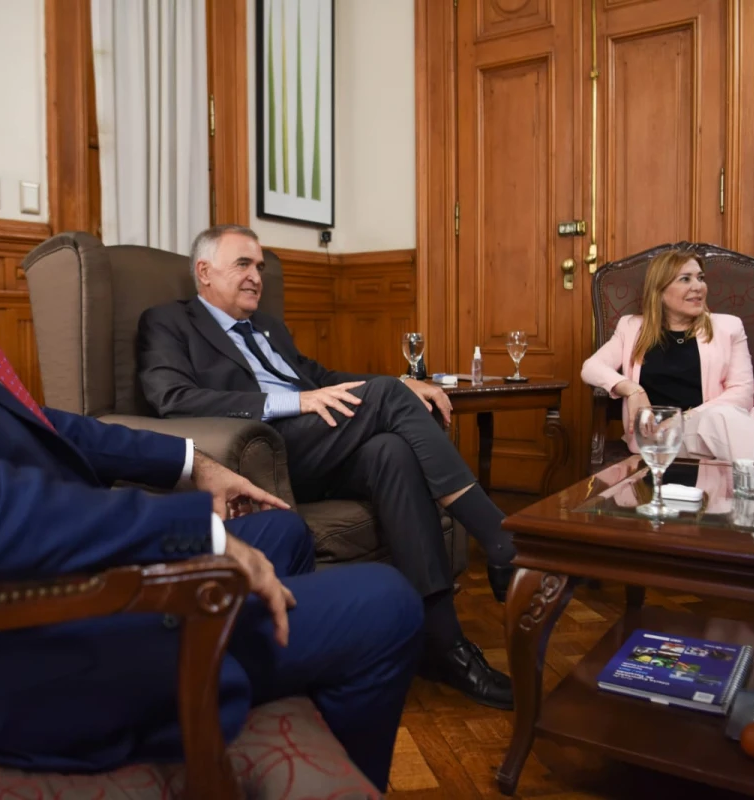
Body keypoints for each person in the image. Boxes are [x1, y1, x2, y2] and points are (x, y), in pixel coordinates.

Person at [0, 88, 424, 791]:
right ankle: (254, 692)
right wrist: (199, 533)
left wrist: (193, 464)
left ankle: (261, 673)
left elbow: (34, 423)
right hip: (24, 655)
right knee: (385, 602)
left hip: (39, 596)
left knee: (281, 534)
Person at [136, 225, 519, 710]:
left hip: (316, 445)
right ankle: (499, 535)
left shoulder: (270, 327)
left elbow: (322, 378)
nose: (257, 276)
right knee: (387, 397)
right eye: (244, 265)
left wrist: (398, 382)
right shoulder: (170, 322)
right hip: (262, 448)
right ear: (204, 272)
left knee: (391, 453)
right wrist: (294, 401)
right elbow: (172, 400)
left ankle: (443, 644)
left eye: (260, 267)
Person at [581, 247, 754, 465]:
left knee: (720, 418)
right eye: (685, 279)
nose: (698, 287)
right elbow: (591, 367)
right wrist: (632, 389)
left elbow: (742, 393)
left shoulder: (728, 326)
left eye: (700, 278)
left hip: (715, 428)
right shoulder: (631, 327)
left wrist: (682, 419)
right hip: (658, 439)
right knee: (725, 422)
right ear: (660, 290)